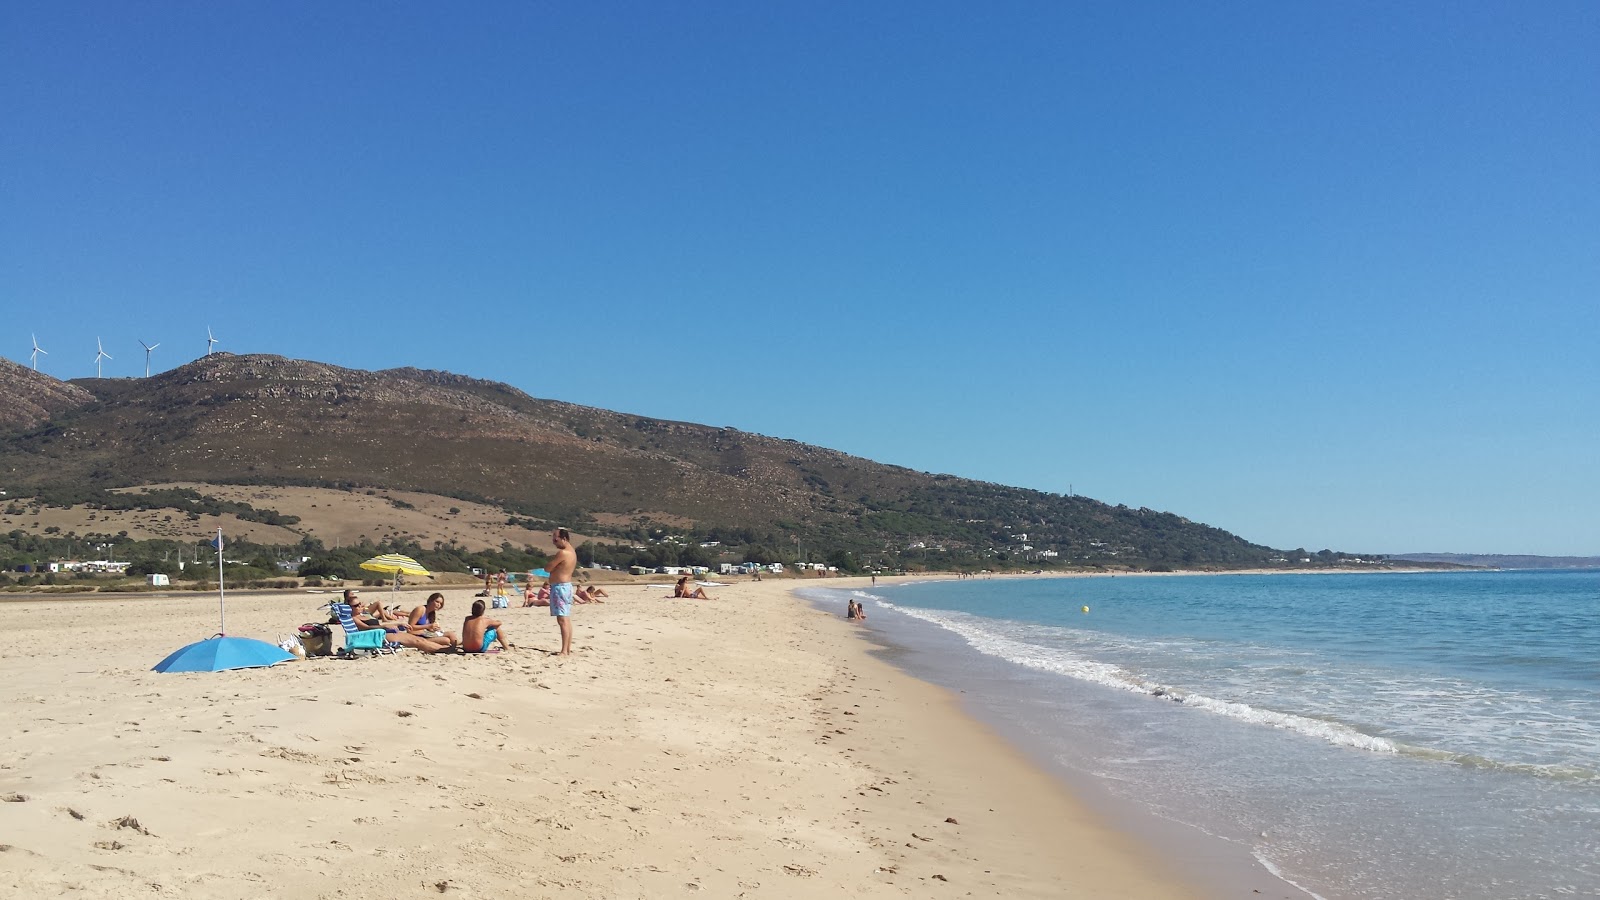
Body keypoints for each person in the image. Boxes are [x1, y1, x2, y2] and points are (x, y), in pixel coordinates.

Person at [548, 528, 577, 655]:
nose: (554, 542)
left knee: (562, 619)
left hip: (560, 587)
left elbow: (548, 567)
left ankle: (564, 650)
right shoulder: (572, 552)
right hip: (565, 586)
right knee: (566, 618)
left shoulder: (563, 553)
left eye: (556, 539)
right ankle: (567, 648)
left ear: (564, 539)